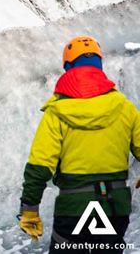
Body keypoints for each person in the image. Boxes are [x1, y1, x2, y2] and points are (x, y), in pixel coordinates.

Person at [19, 36, 140, 253]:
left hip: (74, 208)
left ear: (68, 67)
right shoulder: (125, 107)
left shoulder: (57, 112)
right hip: (115, 206)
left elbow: (39, 166)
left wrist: (29, 209)